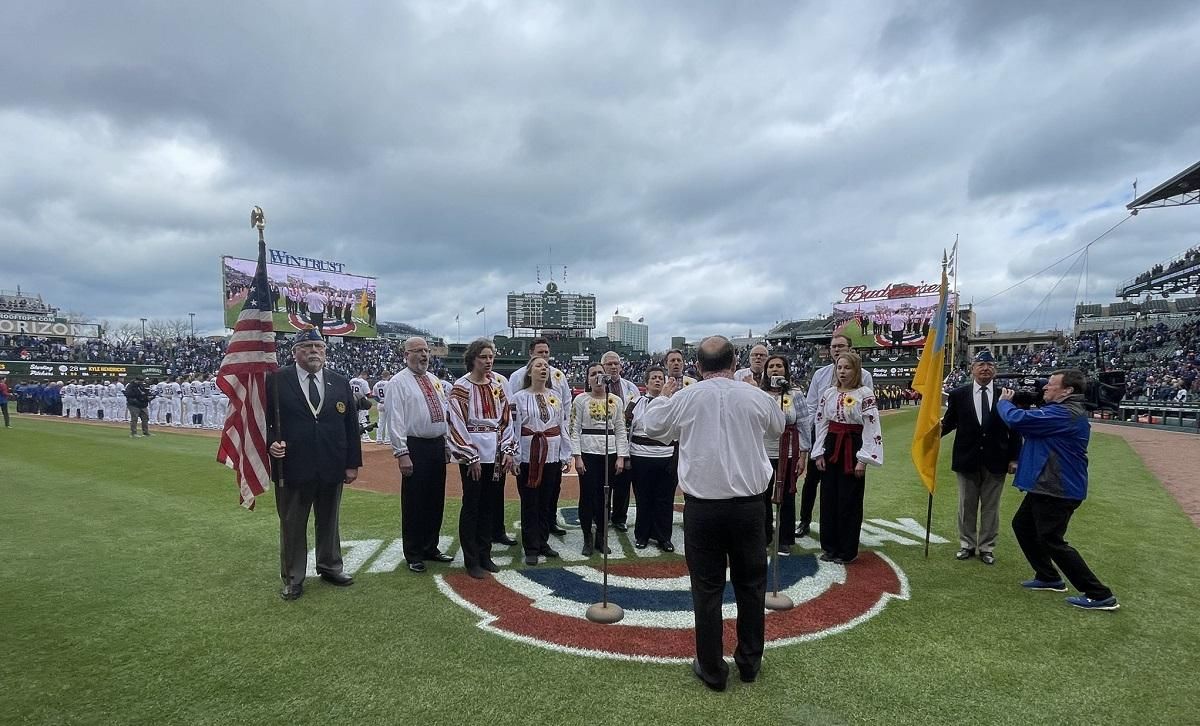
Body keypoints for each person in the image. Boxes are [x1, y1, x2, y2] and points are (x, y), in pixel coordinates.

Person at [642, 336, 784, 692]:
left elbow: (652, 427)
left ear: (698, 366)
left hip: (704, 508)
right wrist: (755, 390)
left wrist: (665, 394)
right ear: (735, 362)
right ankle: (749, 662)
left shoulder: (687, 396)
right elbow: (778, 426)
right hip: (750, 506)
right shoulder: (754, 394)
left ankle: (712, 669)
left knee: (707, 589)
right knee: (751, 586)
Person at [998, 369, 1119, 611]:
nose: (1044, 388)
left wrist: (1004, 403)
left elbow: (1018, 420)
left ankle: (1098, 593)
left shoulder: (1064, 413)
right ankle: (1048, 576)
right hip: (1045, 485)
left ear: (1067, 391)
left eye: (1051, 385)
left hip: (1057, 487)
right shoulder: (1063, 411)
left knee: (1052, 539)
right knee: (1022, 526)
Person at [266, 327, 363, 601]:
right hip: (292, 465)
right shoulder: (276, 380)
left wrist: (352, 463)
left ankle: (330, 566)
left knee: (329, 521)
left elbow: (350, 426)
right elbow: (263, 420)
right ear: (295, 352)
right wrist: (271, 442)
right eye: (306, 346)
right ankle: (293, 577)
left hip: (331, 463)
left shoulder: (340, 381)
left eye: (318, 347)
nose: (313, 351)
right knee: (292, 524)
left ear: (325, 351)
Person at [941, 350, 1021, 565]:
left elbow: (1015, 429)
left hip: (997, 459)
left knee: (990, 507)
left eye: (989, 365)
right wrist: (929, 437)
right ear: (972, 369)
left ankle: (986, 547)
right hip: (967, 459)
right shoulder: (959, 395)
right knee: (966, 505)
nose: (985, 368)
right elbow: (949, 423)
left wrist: (1014, 458)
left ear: (995, 369)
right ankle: (967, 544)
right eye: (980, 364)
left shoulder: (1007, 395)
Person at [447, 339, 518, 579]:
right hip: (474, 454)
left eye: (491, 357)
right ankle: (471, 559)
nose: (488, 361)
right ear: (473, 359)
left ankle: (485, 554)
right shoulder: (461, 387)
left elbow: (506, 421)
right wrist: (470, 456)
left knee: (489, 504)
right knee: (472, 505)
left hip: (495, 453)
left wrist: (508, 450)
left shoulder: (497, 386)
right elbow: (456, 423)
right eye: (483, 357)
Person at [385, 337, 454, 574]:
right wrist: (402, 453)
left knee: (435, 499)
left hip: (436, 445)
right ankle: (414, 552)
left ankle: (430, 546)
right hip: (415, 447)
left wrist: (445, 443)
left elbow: (443, 413)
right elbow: (395, 420)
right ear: (406, 355)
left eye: (426, 351)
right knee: (415, 502)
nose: (424, 355)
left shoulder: (434, 380)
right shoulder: (398, 382)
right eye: (418, 351)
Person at [797, 335, 873, 538]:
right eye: (833, 347)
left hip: (849, 435)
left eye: (841, 346)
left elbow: (867, 412)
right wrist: (815, 432)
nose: (837, 350)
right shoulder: (820, 374)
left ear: (850, 348)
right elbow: (811, 404)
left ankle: (844, 532)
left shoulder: (864, 376)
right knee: (811, 481)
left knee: (844, 485)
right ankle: (804, 521)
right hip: (823, 433)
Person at [812, 350, 883, 564]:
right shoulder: (829, 394)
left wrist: (863, 459)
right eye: (839, 367)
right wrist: (819, 452)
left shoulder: (865, 393)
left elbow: (872, 426)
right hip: (832, 445)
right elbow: (821, 422)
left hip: (853, 445)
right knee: (828, 498)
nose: (842, 372)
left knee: (849, 500)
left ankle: (847, 550)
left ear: (856, 370)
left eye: (847, 368)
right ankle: (830, 547)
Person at [508, 357, 572, 566]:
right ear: (529, 372)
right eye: (538, 366)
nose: (543, 369)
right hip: (528, 455)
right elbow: (513, 429)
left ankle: (543, 541)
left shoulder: (555, 396)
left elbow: (562, 425)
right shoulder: (518, 398)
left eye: (546, 366)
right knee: (530, 502)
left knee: (547, 501)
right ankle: (531, 547)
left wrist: (565, 453)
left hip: (552, 454)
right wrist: (515, 456)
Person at [569, 363, 629, 556]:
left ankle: (602, 536)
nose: (597, 377)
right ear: (587, 378)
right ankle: (588, 536)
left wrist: (621, 456)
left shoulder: (616, 400)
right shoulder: (580, 400)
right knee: (587, 496)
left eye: (600, 373)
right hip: (587, 453)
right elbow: (574, 430)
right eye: (592, 374)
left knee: (606, 496)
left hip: (609, 453)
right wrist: (577, 457)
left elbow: (620, 429)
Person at [759, 355, 811, 554]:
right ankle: (763, 535)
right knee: (761, 495)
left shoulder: (796, 394)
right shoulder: (759, 393)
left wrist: (803, 455)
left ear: (786, 370)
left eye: (779, 366)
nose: (774, 369)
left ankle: (785, 538)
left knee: (787, 495)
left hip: (788, 450)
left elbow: (804, 423)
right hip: (763, 451)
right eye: (770, 366)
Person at [627, 366, 677, 551]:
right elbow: (626, 430)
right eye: (653, 378)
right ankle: (642, 535)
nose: (657, 380)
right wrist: (626, 457)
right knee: (643, 498)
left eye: (660, 378)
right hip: (641, 457)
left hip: (667, 457)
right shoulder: (635, 402)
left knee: (665, 500)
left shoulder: (674, 403)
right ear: (646, 382)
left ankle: (664, 537)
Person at [599, 351, 640, 532]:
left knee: (623, 482)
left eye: (616, 363)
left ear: (621, 366)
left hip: (625, 439)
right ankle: (602, 515)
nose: (613, 367)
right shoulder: (596, 385)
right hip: (603, 440)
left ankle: (619, 518)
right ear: (603, 367)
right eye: (609, 364)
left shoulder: (631, 387)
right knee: (603, 480)